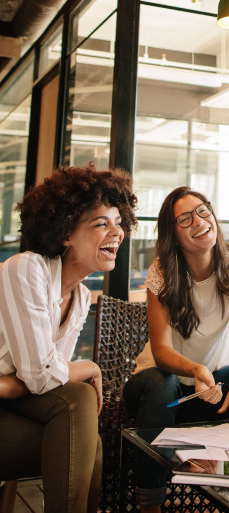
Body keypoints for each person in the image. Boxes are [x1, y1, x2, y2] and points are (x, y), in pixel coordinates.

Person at [122, 187, 229, 513]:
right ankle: (149, 505)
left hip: (210, 390)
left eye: (203, 210)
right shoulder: (162, 272)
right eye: (185, 218)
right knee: (160, 382)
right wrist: (195, 369)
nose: (199, 220)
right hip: (163, 394)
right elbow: (161, 350)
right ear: (173, 234)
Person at [0, 163, 138, 513]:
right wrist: (90, 367)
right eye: (101, 223)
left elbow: (45, 381)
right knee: (80, 412)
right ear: (64, 233)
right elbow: (44, 374)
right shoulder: (26, 268)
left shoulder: (79, 298)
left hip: (11, 403)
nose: (116, 232)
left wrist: (8, 384)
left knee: (81, 424)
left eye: (118, 223)